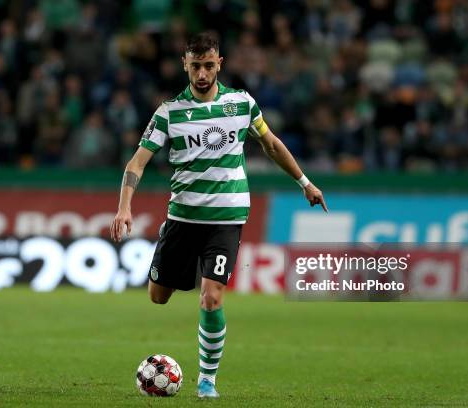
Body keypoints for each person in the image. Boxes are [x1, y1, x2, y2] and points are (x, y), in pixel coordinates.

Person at [110, 32, 327, 399]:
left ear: (219, 64)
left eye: (209, 65)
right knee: (158, 297)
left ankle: (207, 380)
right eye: (195, 66)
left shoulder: (242, 104)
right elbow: (137, 162)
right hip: (183, 217)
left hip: (227, 218)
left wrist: (304, 182)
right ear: (185, 65)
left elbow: (271, 144)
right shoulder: (169, 113)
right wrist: (124, 205)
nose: (202, 73)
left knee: (211, 297)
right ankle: (169, 236)